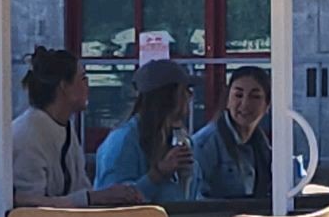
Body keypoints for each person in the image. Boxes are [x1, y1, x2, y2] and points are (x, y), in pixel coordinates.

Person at [11, 46, 143, 207]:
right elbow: (28, 205)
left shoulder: (64, 126)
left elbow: (80, 187)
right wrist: (92, 198)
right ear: (64, 87)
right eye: (83, 78)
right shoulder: (28, 136)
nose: (88, 86)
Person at [94, 58, 193, 205]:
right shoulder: (123, 141)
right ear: (168, 96)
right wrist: (157, 174)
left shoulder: (174, 138)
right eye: (184, 90)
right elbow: (111, 202)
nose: (189, 97)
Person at [191, 65, 274, 205]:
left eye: (255, 96)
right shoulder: (204, 144)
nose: (245, 104)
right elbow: (195, 199)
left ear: (267, 105)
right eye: (238, 95)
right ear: (227, 100)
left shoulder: (263, 145)